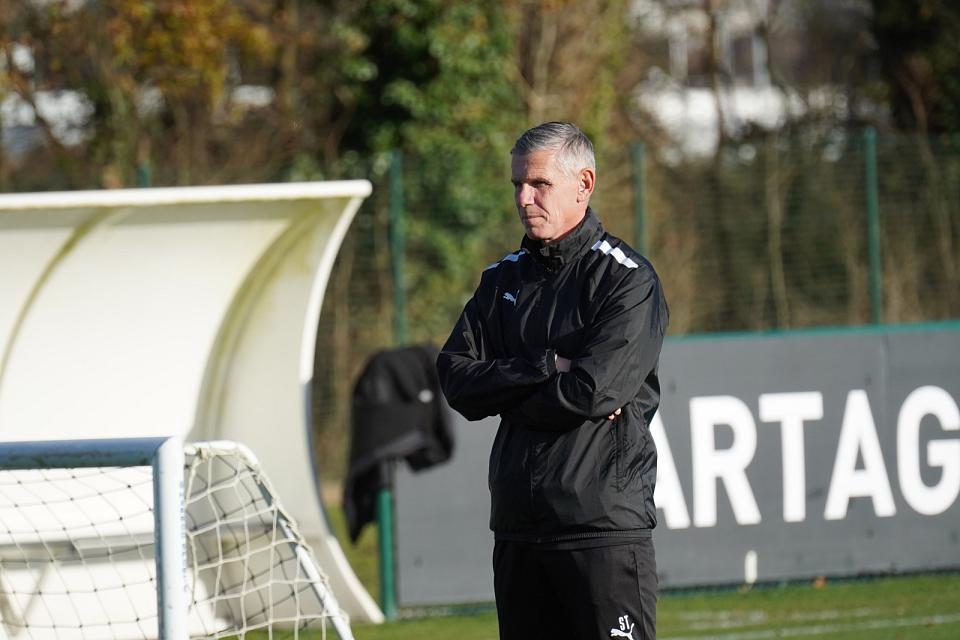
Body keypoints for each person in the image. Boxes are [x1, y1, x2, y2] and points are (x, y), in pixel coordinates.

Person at [436, 122, 668, 640]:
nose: (524, 198)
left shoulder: (627, 280)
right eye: (518, 184)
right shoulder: (502, 281)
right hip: (519, 529)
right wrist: (541, 368)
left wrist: (503, 394)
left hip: (600, 529)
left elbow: (591, 391)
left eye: (539, 184)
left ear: (583, 184)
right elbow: (455, 378)